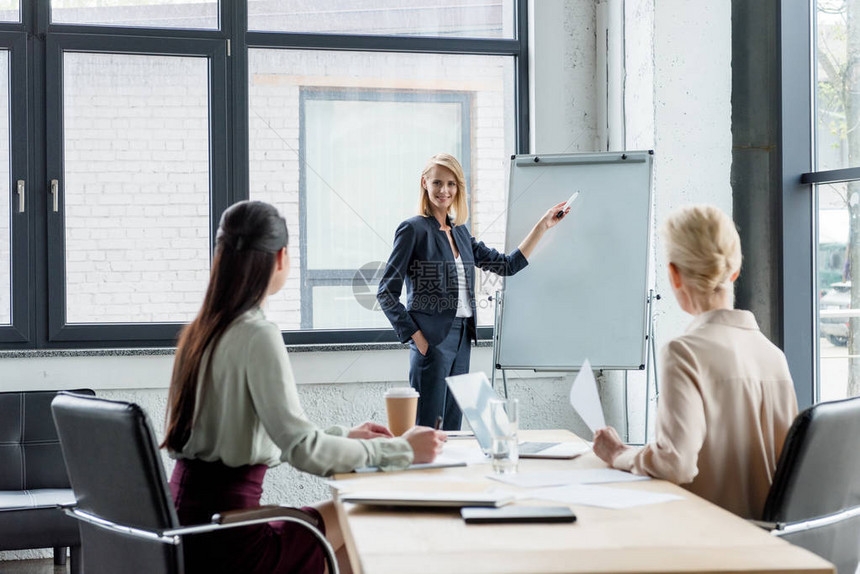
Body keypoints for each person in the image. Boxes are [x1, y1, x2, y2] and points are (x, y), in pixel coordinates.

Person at [162, 200, 446, 574]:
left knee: (347, 554)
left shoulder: (201, 331)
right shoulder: (257, 333)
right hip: (232, 540)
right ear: (281, 258)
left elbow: (260, 438)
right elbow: (301, 451)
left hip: (189, 530)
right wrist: (398, 450)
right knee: (367, 508)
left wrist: (347, 436)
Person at [592, 204, 798, 520]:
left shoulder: (683, 352)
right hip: (769, 548)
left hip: (707, 540)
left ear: (674, 275)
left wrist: (619, 453)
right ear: (735, 270)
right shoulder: (773, 356)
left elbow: (675, 463)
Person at [377, 153, 571, 430]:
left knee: (453, 429)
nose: (445, 190)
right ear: (424, 184)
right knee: (427, 430)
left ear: (459, 188)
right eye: (437, 183)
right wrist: (416, 338)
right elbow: (386, 292)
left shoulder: (460, 233)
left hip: (462, 339)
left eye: (452, 184)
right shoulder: (413, 229)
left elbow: (507, 265)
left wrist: (543, 225)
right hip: (431, 341)